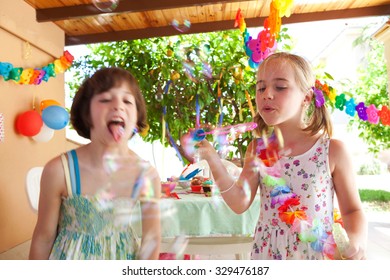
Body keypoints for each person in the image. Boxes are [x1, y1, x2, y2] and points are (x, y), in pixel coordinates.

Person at [194, 52, 367, 260]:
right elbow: (239, 202)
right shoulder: (257, 150)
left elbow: (352, 211)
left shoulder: (332, 151)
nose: (267, 94)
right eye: (261, 87)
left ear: (306, 97)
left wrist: (355, 241)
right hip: (269, 254)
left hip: (315, 256)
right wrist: (212, 158)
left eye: (280, 87)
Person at [29, 67, 161, 260]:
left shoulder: (146, 176)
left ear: (136, 118)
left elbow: (152, 239)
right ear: (87, 114)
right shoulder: (59, 170)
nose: (118, 106)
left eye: (127, 100)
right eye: (105, 99)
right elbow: (44, 237)